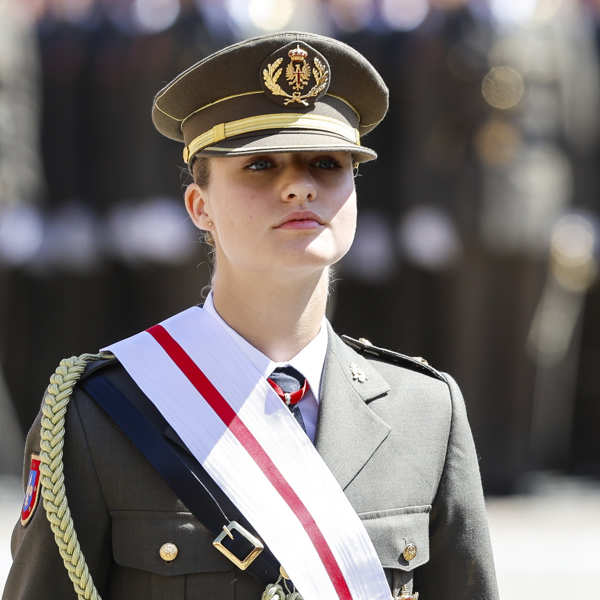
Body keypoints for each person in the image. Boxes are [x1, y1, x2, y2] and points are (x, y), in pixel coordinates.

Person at [4, 31, 499, 600]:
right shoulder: (102, 415)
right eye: (260, 165)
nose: (299, 187)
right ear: (199, 205)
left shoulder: (426, 411)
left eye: (327, 164)